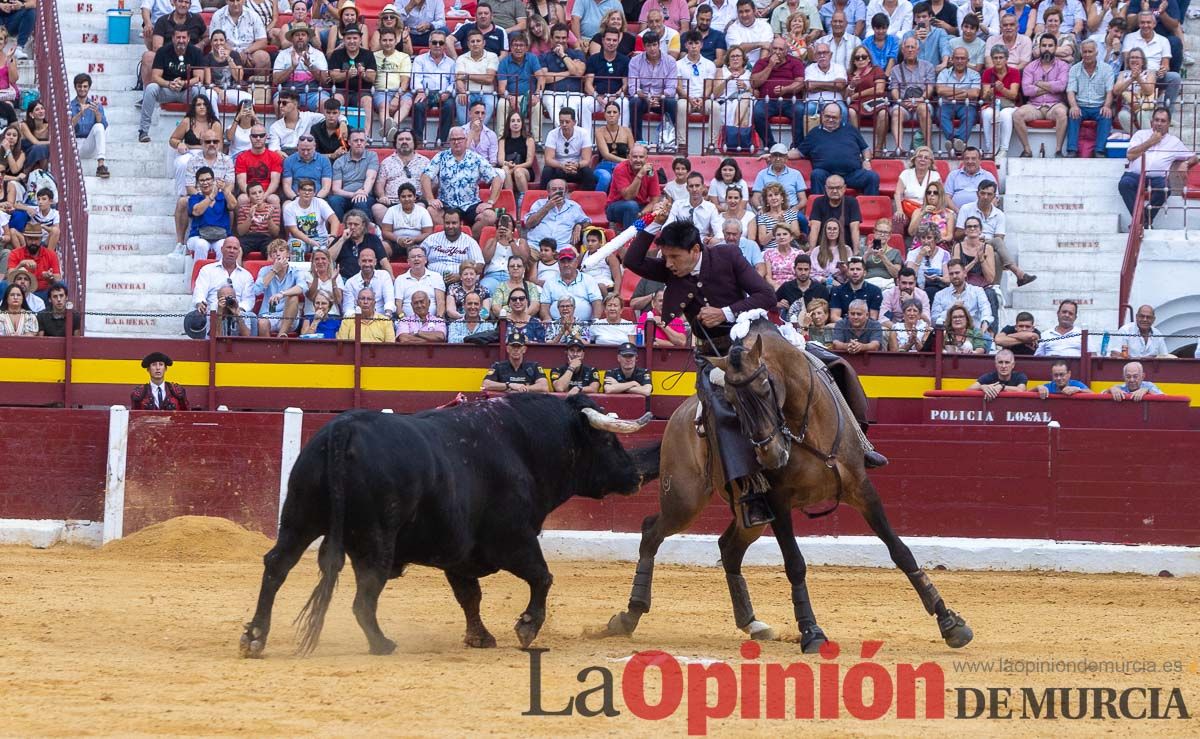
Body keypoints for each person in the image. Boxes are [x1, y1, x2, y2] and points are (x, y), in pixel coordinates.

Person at [625, 201, 887, 527]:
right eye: (666, 257)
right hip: (715, 360)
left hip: (760, 344)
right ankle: (751, 491)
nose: (669, 264)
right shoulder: (669, 267)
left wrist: (725, 313)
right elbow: (632, 260)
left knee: (831, 366)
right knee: (723, 413)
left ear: (695, 250)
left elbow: (765, 295)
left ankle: (860, 445)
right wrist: (652, 223)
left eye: (675, 257)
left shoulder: (729, 256)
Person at [1119, 107, 1198, 226]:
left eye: (1163, 121)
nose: (1159, 124)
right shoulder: (1140, 135)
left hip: (1157, 178)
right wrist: (1150, 142)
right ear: (1152, 122)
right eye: (1156, 120)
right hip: (1135, 175)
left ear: (1168, 124)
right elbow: (1130, 155)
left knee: (1165, 189)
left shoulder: (1174, 142)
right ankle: (1144, 221)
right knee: (1124, 184)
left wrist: (1186, 164)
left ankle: (1141, 220)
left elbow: (1194, 157)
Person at [421, 127, 503, 227]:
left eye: (460, 139)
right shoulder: (440, 157)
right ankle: (447, 238)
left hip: (471, 205)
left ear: (466, 140)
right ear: (449, 141)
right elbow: (425, 176)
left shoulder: (476, 158)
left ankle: (471, 241)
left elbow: (496, 178)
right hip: (446, 204)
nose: (456, 142)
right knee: (430, 210)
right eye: (453, 139)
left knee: (490, 216)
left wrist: (490, 202)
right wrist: (430, 199)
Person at [138, 29, 206, 143]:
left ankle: (202, 131)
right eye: (178, 37)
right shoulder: (163, 51)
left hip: (186, 91)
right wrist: (169, 84)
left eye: (184, 38)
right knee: (151, 88)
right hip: (167, 90)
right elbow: (155, 76)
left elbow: (199, 78)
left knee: (200, 89)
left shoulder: (196, 52)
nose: (181, 40)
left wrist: (184, 83)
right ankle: (143, 131)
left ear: (188, 38)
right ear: (173, 38)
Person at [798, 104, 879, 196]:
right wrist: (782, 154)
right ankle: (818, 208)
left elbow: (865, 149)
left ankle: (870, 209)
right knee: (816, 174)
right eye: (827, 116)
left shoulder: (851, 129)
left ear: (840, 117)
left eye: (834, 117)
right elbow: (799, 152)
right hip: (827, 176)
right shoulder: (814, 133)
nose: (830, 119)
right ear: (822, 115)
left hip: (852, 175)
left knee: (872, 177)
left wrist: (867, 160)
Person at [1012, 34, 1070, 158]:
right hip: (1034, 106)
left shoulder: (1063, 66)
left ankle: (1058, 150)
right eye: (1044, 45)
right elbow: (1027, 90)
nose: (1047, 48)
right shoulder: (1030, 67)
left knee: (1061, 113)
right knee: (1017, 115)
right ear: (1039, 48)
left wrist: (1038, 84)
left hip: (1055, 105)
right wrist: (1050, 88)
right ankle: (1027, 150)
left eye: (1050, 45)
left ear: (1055, 48)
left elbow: (1061, 87)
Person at [749, 37, 807, 155]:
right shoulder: (762, 62)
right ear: (770, 49)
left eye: (781, 49)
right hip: (767, 100)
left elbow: (800, 83)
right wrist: (770, 66)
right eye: (775, 48)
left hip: (791, 100)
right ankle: (771, 146)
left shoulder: (795, 62)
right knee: (758, 113)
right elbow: (754, 83)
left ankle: (796, 147)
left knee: (800, 110)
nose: (777, 52)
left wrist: (786, 90)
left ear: (786, 50)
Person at [1121, 11, 1181, 110]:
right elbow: (1127, 63)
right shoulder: (1130, 38)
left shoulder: (1163, 40)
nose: (1145, 25)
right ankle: (1127, 109)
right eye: (1142, 22)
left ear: (1154, 24)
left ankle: (1167, 112)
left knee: (1175, 77)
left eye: (1148, 22)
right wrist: (1140, 73)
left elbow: (1166, 65)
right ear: (1138, 24)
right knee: (1117, 76)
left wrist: (1163, 69)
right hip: (1135, 73)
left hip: (1156, 75)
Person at [1064, 40, 1114, 158]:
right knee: (1073, 114)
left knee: (1106, 115)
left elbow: (1110, 91)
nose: (1087, 54)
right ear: (1081, 53)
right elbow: (1070, 91)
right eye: (1085, 52)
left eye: (1090, 51)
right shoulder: (1074, 69)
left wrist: (1106, 106)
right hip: (1081, 105)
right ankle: (1072, 150)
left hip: (1099, 106)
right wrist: (1074, 106)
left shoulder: (1106, 69)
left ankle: (1099, 150)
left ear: (1096, 53)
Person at [885, 36, 934, 155]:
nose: (910, 50)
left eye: (913, 47)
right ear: (903, 50)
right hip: (903, 104)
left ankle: (927, 148)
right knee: (896, 112)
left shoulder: (928, 66)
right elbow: (894, 89)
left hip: (922, 102)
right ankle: (899, 148)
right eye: (907, 47)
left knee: (923, 108)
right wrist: (901, 102)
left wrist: (921, 99)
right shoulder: (896, 69)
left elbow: (930, 87)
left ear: (918, 50)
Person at [372, 130, 431, 225]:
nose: (404, 142)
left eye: (408, 139)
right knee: (377, 208)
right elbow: (379, 183)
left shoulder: (425, 162)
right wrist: (382, 196)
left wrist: (424, 196)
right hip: (391, 202)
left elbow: (434, 183)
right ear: (396, 143)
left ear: (414, 142)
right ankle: (389, 237)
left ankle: (412, 237)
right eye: (400, 139)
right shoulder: (387, 162)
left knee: (421, 207)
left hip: (416, 201)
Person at [410, 29, 457, 146]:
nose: (437, 45)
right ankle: (418, 141)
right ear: (429, 44)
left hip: (444, 94)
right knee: (418, 105)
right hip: (425, 93)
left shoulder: (451, 63)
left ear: (445, 45)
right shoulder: (419, 59)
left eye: (441, 43)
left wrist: (448, 92)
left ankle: (440, 142)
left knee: (450, 106)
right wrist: (420, 91)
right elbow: (416, 78)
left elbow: (454, 82)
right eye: (434, 42)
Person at [185, 166, 237, 273]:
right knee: (201, 244)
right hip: (198, 236)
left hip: (220, 235)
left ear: (213, 181)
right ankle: (198, 277)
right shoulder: (195, 198)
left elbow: (233, 206)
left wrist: (226, 190)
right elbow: (197, 211)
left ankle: (220, 278)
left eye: (208, 179)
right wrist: (212, 195)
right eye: (202, 180)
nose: (205, 183)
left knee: (224, 246)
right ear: (198, 184)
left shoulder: (223, 196)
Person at [271, 23, 330, 112]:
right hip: (287, 93)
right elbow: (275, 80)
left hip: (313, 93)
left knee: (325, 103)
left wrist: (310, 66)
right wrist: (292, 67)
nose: (300, 37)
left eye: (303, 35)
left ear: (308, 37)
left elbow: (325, 80)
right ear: (292, 38)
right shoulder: (283, 54)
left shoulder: (318, 54)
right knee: (279, 102)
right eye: (297, 35)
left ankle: (320, 126)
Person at [606, 143, 662, 230]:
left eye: (641, 157)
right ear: (629, 157)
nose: (638, 160)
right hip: (616, 206)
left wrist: (642, 213)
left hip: (640, 207)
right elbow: (628, 197)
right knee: (631, 206)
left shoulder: (651, 171)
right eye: (635, 157)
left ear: (646, 158)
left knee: (661, 209)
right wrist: (640, 175)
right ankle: (629, 240)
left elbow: (655, 200)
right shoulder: (620, 169)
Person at [936, 47, 981, 154]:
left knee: (969, 115)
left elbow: (975, 93)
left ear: (968, 60)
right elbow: (940, 90)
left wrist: (952, 94)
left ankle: (954, 142)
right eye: (957, 58)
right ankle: (958, 142)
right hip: (947, 104)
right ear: (952, 59)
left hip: (967, 105)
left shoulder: (974, 74)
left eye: (963, 58)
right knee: (940, 114)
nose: (960, 61)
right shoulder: (944, 73)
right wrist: (965, 92)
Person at [422, 208, 484, 286]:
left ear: (461, 224)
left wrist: (461, 276)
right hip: (432, 282)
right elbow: (418, 256)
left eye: (454, 223)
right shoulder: (431, 239)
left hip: (461, 284)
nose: (450, 226)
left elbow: (479, 265)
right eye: (447, 223)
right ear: (443, 223)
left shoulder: (470, 242)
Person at [525, 179, 590, 252]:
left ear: (566, 191)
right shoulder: (539, 204)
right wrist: (547, 207)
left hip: (562, 248)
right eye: (554, 189)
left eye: (560, 189)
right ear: (548, 192)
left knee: (573, 257)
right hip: (536, 246)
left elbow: (587, 221)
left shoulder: (574, 206)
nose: (557, 192)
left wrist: (579, 225)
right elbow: (529, 224)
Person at [540, 247, 603, 322]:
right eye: (563, 262)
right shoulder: (550, 282)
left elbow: (597, 301)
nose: (566, 265)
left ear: (576, 263)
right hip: (557, 325)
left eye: (569, 261)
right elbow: (544, 305)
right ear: (558, 264)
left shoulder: (588, 279)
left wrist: (595, 320)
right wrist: (547, 319)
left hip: (584, 324)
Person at [540, 107, 597, 191]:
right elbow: (548, 159)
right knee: (547, 171)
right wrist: (562, 166)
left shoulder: (583, 133)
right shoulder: (552, 134)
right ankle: (543, 198)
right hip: (558, 167)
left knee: (588, 172)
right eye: (561, 122)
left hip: (575, 168)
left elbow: (586, 160)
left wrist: (576, 165)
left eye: (567, 122)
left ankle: (587, 199)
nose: (564, 124)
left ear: (574, 122)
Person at [327, 130, 379, 220]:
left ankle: (365, 232)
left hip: (366, 195)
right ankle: (340, 229)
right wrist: (354, 194)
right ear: (349, 142)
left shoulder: (372, 156)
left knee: (360, 201)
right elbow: (336, 189)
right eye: (356, 140)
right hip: (346, 195)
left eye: (362, 140)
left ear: (366, 142)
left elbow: (371, 177)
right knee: (333, 200)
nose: (359, 143)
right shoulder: (339, 161)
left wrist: (363, 192)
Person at [931, 259, 992, 333]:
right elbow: (935, 320)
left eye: (957, 273)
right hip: (949, 335)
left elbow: (986, 310)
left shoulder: (977, 291)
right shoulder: (940, 295)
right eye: (951, 274)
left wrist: (983, 328)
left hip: (974, 334)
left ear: (965, 273)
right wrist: (952, 308)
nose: (954, 276)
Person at [980, 44, 1020, 157]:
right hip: (992, 104)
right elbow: (985, 96)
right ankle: (990, 149)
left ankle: (1004, 149)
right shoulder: (987, 73)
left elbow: (1013, 95)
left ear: (1006, 59)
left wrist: (1002, 89)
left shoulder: (1014, 72)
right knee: (987, 114)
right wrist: (991, 91)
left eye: (1001, 57)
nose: (998, 60)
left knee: (1005, 114)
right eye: (995, 58)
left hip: (1010, 105)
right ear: (992, 59)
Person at [284, 178, 339, 255]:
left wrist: (332, 236)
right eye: (304, 189)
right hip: (298, 239)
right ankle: (297, 267)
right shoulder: (289, 207)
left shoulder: (320, 203)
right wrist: (310, 241)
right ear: (298, 191)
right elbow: (294, 231)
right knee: (296, 248)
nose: (307, 192)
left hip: (320, 239)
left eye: (310, 190)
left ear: (314, 193)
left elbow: (334, 220)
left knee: (323, 251)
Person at [68, 73, 109, 179]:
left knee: (99, 126)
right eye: (79, 86)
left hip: (89, 144)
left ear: (89, 87)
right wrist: (80, 113)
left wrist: (97, 113)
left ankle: (101, 165)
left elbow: (103, 126)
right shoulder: (69, 106)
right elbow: (68, 127)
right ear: (75, 87)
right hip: (74, 144)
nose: (82, 89)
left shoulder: (96, 105)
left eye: (85, 86)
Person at [481, 332, 550, 391]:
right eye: (513, 346)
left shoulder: (533, 366)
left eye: (519, 347)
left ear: (524, 349)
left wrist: (524, 388)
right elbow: (485, 384)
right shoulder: (498, 366)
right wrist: (509, 385)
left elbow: (544, 386)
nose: (516, 350)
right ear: (507, 349)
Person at [379, 182, 433, 258]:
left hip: (417, 244)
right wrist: (398, 239)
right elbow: (385, 232)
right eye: (403, 196)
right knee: (383, 246)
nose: (407, 199)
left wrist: (415, 239)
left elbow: (428, 232)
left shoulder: (423, 211)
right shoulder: (391, 210)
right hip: (396, 243)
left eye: (410, 196)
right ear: (399, 198)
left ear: (415, 197)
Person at [806, 174, 859, 250]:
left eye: (838, 188)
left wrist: (856, 252)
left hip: (845, 246)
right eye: (831, 188)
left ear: (844, 188)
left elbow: (855, 228)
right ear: (826, 188)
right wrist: (812, 250)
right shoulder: (818, 202)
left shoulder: (852, 202)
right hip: (823, 247)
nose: (834, 191)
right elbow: (815, 228)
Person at [668, 172, 722, 243]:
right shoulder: (678, 205)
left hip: (702, 243)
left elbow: (718, 231)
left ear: (703, 187)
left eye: (697, 186)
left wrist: (714, 240)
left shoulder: (711, 207)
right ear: (687, 188)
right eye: (691, 186)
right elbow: (668, 226)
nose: (694, 189)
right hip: (680, 242)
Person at [775, 253, 831, 322]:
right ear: (794, 269)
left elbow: (827, 313)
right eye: (800, 269)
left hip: (814, 327)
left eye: (806, 269)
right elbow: (771, 303)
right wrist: (779, 304)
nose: (803, 272)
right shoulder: (786, 287)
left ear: (810, 269)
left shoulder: (821, 289)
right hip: (791, 327)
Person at [751, 144, 808, 210]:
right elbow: (755, 198)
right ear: (771, 158)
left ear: (786, 158)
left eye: (781, 156)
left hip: (791, 209)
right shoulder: (762, 174)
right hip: (768, 210)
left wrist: (794, 210)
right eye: (775, 155)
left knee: (803, 220)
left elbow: (803, 200)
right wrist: (760, 208)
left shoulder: (796, 174)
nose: (778, 159)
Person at [497, 111, 536, 200]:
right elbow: (500, 160)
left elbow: (529, 162)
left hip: (525, 170)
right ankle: (510, 199)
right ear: (509, 124)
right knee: (504, 169)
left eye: (518, 121)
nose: (515, 123)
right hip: (508, 168)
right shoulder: (502, 140)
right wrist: (507, 164)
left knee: (518, 172)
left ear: (522, 123)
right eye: (513, 121)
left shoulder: (529, 140)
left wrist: (515, 167)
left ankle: (524, 199)